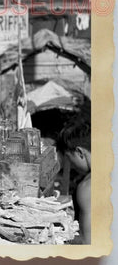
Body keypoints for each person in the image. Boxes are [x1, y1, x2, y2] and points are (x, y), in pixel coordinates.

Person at [58, 99, 91, 244]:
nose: (71, 166)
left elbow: (88, 243)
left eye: (70, 159)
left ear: (79, 152)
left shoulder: (88, 188)